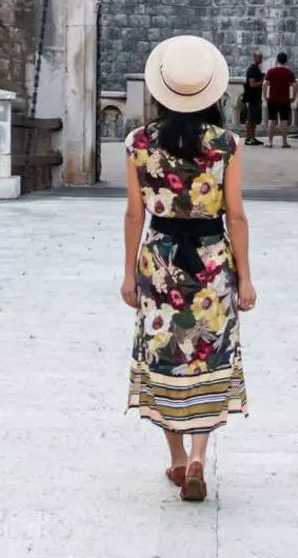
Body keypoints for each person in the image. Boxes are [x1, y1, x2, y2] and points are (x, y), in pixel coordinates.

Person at [122, 34, 255, 502]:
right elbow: (235, 214)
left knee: (165, 355)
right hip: (212, 263)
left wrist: (126, 274)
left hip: (158, 265)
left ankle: (177, 460)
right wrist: (246, 277)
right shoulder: (227, 145)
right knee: (206, 354)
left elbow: (135, 214)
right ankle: (200, 454)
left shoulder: (139, 143)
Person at [263, 51, 297, 148]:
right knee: (284, 121)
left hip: (272, 99)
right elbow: (295, 85)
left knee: (271, 120)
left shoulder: (271, 71)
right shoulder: (289, 72)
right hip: (285, 100)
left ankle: (270, 142)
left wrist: (265, 95)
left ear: (277, 60)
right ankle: (284, 142)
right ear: (286, 61)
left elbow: (265, 84)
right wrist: (293, 96)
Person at [241, 52, 266, 144]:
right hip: (252, 98)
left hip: (255, 97)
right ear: (254, 57)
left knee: (254, 118)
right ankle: (248, 138)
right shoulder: (252, 69)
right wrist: (262, 82)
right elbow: (252, 84)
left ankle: (252, 137)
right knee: (250, 118)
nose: (261, 59)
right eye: (259, 57)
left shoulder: (256, 69)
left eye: (261, 57)